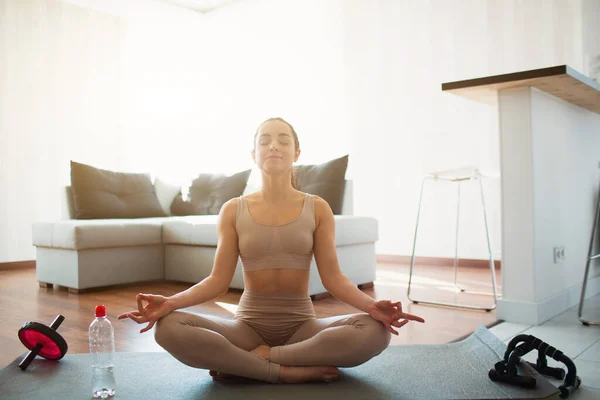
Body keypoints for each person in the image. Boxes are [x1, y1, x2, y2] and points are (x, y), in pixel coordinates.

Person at [118, 117, 425, 384]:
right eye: (265, 141)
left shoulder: (317, 208)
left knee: (376, 332)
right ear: (254, 154)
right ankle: (286, 372)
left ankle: (254, 362)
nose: (274, 146)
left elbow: (334, 279)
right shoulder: (232, 210)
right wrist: (170, 303)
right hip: (247, 327)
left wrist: (370, 306)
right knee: (167, 328)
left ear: (297, 153)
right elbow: (217, 281)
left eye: (283, 140)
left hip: (303, 327)